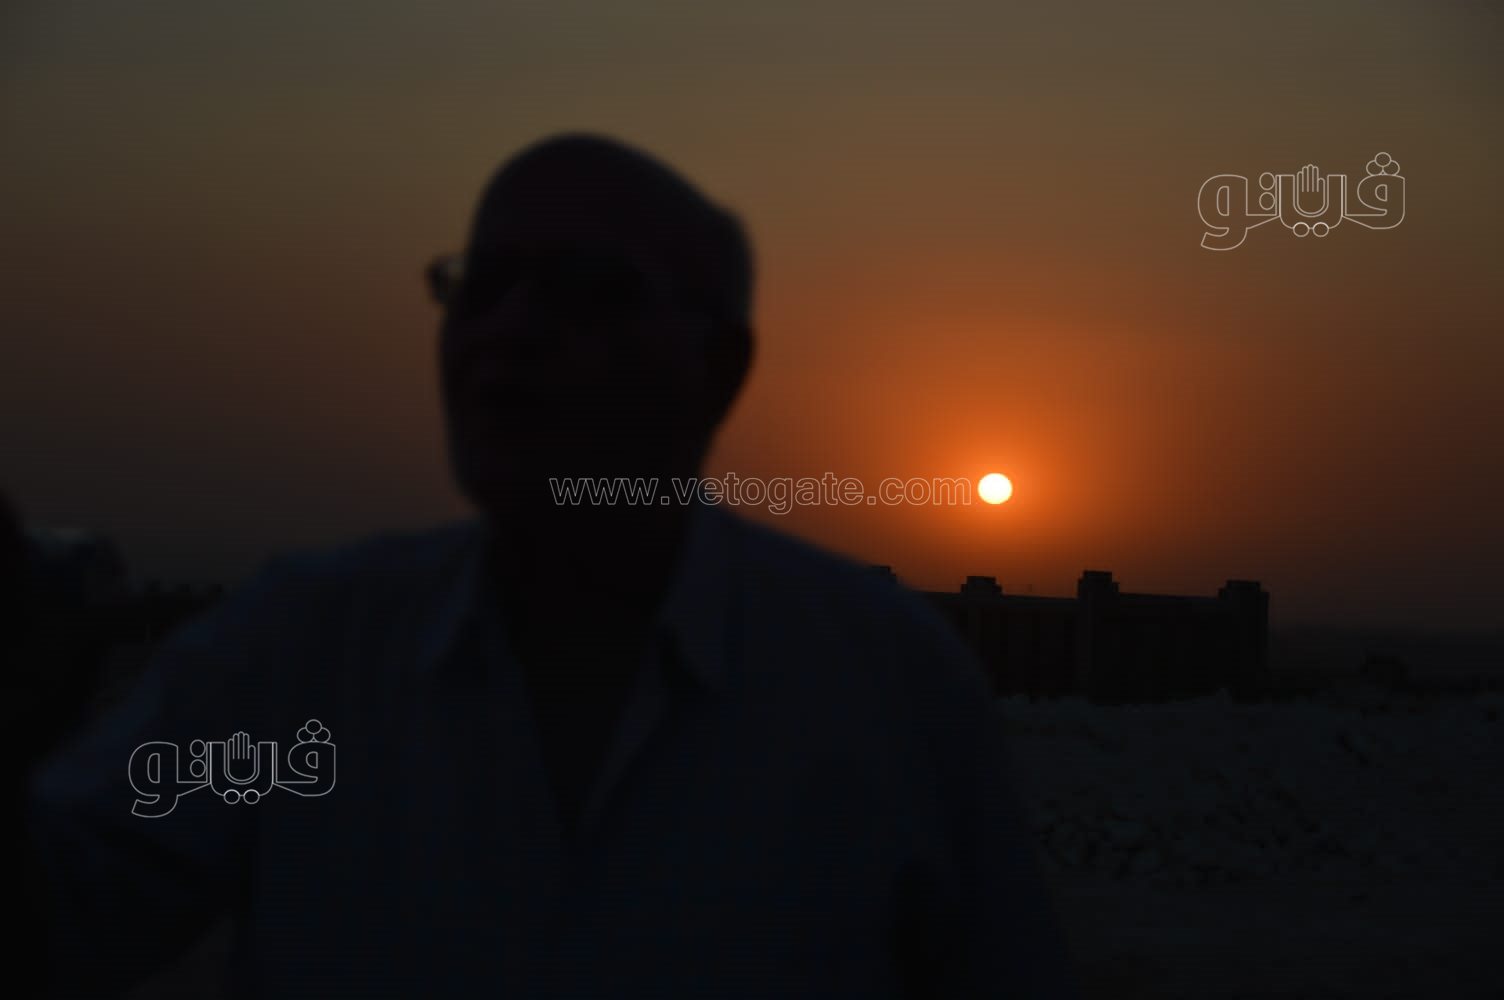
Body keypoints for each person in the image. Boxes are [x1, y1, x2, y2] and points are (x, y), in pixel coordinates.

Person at [21, 134, 1079, 998]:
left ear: (719, 367)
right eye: (482, 287)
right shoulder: (297, 661)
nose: (511, 331)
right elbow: (60, 916)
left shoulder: (882, 687)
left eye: (587, 291)